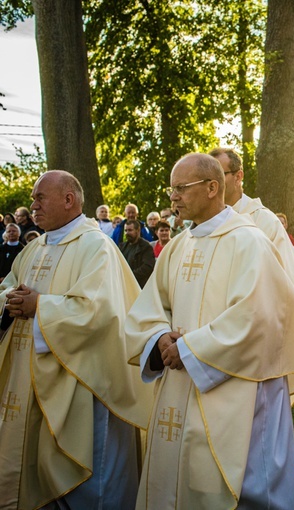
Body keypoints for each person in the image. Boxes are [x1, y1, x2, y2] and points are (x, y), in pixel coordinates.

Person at [126, 153, 294, 509]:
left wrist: (189, 349)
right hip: (180, 385)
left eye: (180, 188)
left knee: (244, 486)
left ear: (211, 187)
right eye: (171, 189)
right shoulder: (177, 246)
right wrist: (160, 337)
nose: (172, 197)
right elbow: (149, 307)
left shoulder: (248, 241)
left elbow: (258, 317)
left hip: (239, 390)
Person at [0, 170, 151, 509]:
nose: (32, 204)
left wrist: (39, 305)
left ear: (69, 200)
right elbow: (7, 287)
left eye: (41, 197)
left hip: (81, 382)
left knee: (87, 485)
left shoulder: (96, 246)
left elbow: (99, 313)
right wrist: (10, 300)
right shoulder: (35, 247)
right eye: (34, 198)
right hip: (31, 381)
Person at [210, 147, 294, 382]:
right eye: (208, 179)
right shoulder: (205, 222)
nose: (212, 185)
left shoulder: (262, 222)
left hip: (251, 340)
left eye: (220, 176)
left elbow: (280, 284)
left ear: (238, 176)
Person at [119, 219, 156, 288]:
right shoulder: (122, 247)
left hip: (139, 286)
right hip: (124, 285)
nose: (127, 233)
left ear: (138, 230)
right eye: (125, 230)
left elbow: (148, 267)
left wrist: (130, 276)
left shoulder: (146, 247)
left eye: (130, 230)